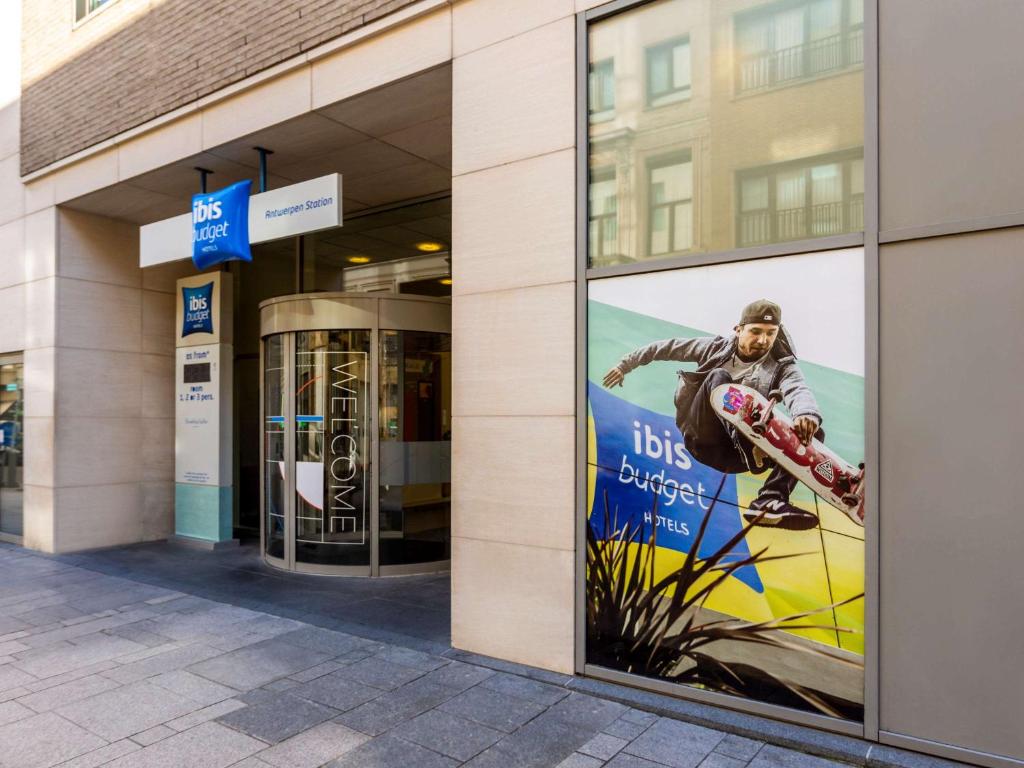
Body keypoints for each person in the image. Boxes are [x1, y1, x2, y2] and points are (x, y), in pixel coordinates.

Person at [603, 299, 821, 530]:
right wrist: (624, 365)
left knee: (811, 432)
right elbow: (666, 347)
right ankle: (747, 445)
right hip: (703, 437)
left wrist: (806, 414)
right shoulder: (715, 348)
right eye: (755, 332)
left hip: (739, 458)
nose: (762, 341)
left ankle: (770, 499)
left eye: (770, 333)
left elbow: (798, 389)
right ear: (738, 330)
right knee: (719, 377)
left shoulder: (782, 366)